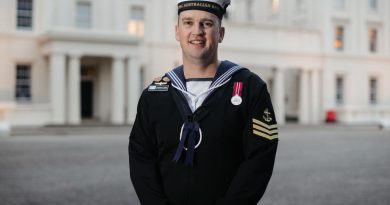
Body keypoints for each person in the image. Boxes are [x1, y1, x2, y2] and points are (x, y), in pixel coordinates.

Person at [128, 0, 278, 204]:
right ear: (177, 31)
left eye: (206, 24)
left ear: (221, 33)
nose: (196, 31)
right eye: (188, 22)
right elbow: (141, 157)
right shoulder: (155, 94)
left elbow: (259, 159)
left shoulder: (251, 88)